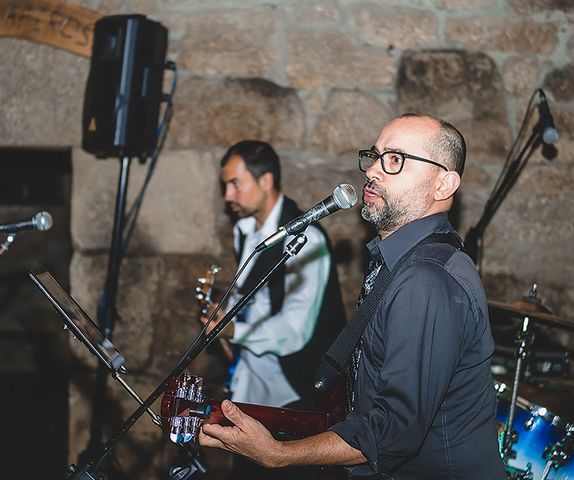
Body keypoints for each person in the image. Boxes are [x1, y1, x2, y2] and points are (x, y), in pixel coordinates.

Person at [199, 115, 505, 479]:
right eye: (374, 157)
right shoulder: (400, 262)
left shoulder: (427, 279)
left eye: (395, 160)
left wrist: (278, 454)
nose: (373, 170)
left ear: (444, 184)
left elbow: (392, 432)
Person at [202, 140, 346, 478]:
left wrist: (236, 330)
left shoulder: (307, 238)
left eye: (235, 183)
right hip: (252, 389)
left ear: (266, 180)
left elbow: (294, 328)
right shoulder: (247, 232)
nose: (227, 195)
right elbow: (254, 302)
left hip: (294, 396)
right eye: (225, 185)